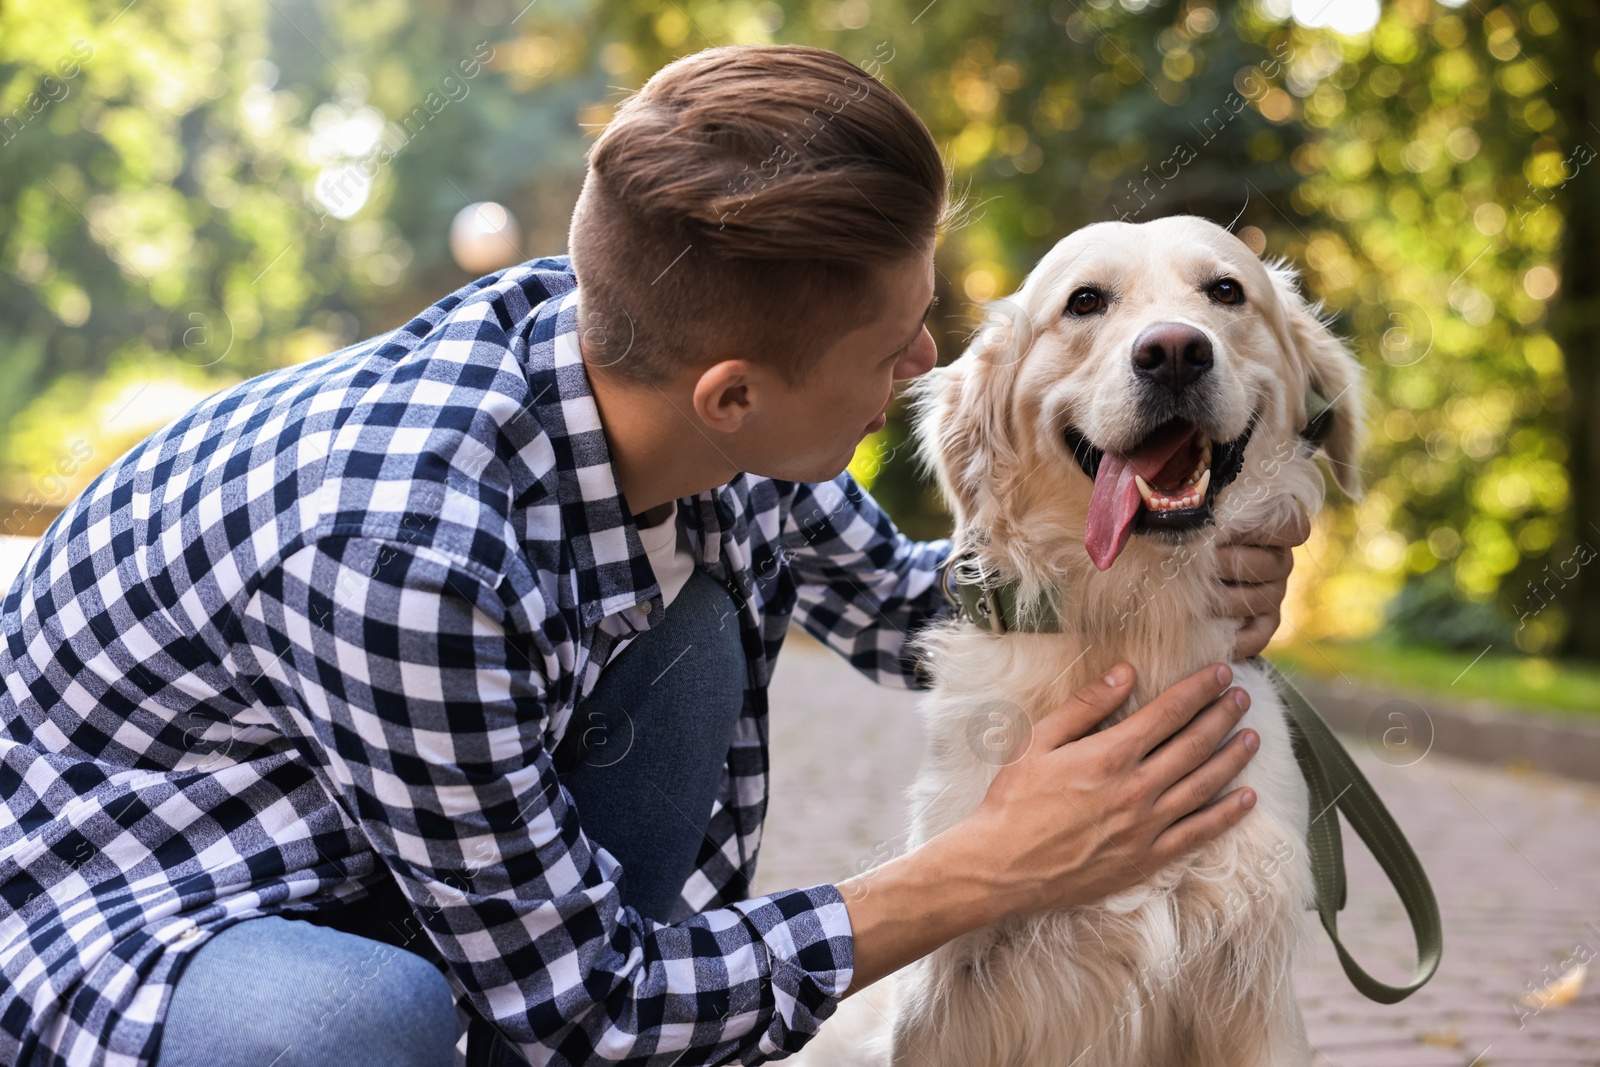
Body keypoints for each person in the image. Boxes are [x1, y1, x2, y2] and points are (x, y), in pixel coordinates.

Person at [0, 43, 1307, 1067]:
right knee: (351, 1030)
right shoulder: (405, 550)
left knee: (690, 624)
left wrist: (1170, 558)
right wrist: (987, 867)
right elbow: (593, 1003)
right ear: (733, 394)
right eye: (893, 343)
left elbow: (914, 612)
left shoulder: (662, 381)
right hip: (145, 922)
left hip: (401, 860)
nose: (927, 369)